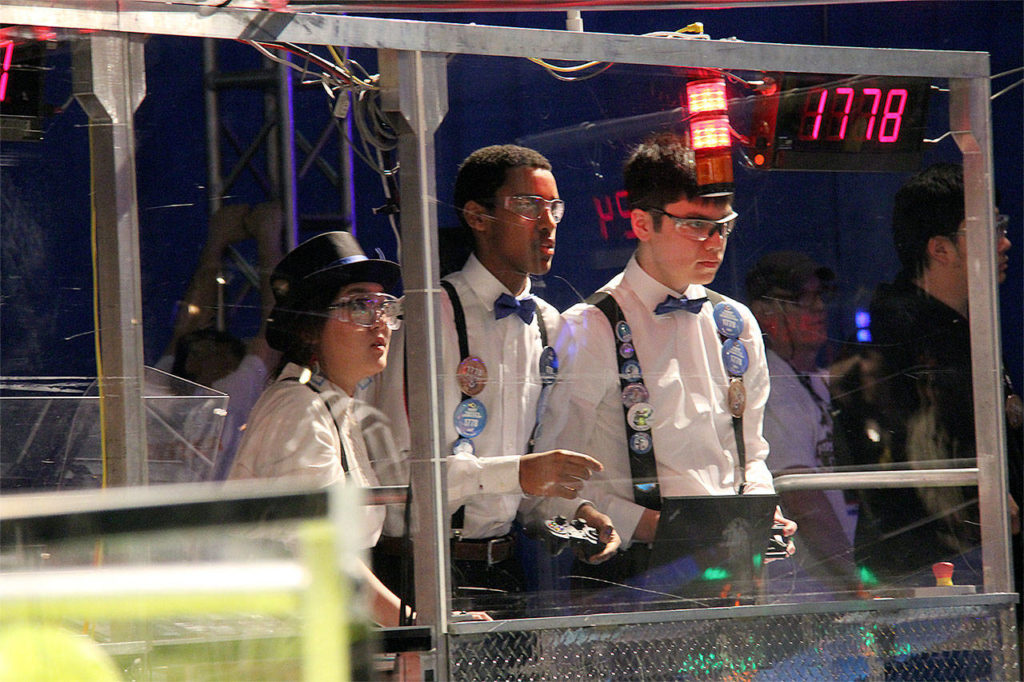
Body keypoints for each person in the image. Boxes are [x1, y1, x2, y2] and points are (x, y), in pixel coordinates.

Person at [535, 132, 796, 595]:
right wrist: (656, 527)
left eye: (723, 226)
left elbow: (751, 454)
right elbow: (556, 483)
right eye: (695, 225)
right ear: (641, 223)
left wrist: (758, 511)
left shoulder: (735, 323)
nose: (714, 242)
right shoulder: (590, 327)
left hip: (732, 573)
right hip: (632, 573)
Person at [367, 144, 619, 612]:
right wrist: (521, 472)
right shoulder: (425, 317)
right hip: (418, 571)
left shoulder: (550, 325)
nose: (547, 224)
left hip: (505, 571)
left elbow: (527, 488)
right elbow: (396, 476)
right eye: (528, 206)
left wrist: (574, 514)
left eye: (554, 208)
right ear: (478, 217)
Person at [228, 230, 414, 627]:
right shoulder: (298, 408)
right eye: (360, 306)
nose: (379, 321)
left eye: (384, 306)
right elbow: (325, 556)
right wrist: (414, 623)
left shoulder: (329, 404)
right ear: (310, 327)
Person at [848, 162, 1021, 588]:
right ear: (940, 249)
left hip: (976, 568)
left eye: (1002, 225)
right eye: (988, 228)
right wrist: (981, 503)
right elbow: (913, 457)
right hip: (932, 583)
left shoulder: (963, 326)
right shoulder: (899, 339)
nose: (1005, 242)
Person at [745, 251, 862, 597]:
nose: (817, 308)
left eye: (819, 297)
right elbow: (804, 501)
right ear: (764, 314)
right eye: (800, 299)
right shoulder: (774, 388)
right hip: (805, 591)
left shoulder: (808, 379)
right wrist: (856, 583)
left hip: (827, 584)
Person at [156, 202, 283, 480]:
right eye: (195, 351)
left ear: (231, 362)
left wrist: (267, 242)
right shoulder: (160, 390)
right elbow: (186, 327)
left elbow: (274, 330)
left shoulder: (229, 394)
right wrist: (217, 243)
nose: (194, 357)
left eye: (211, 351)